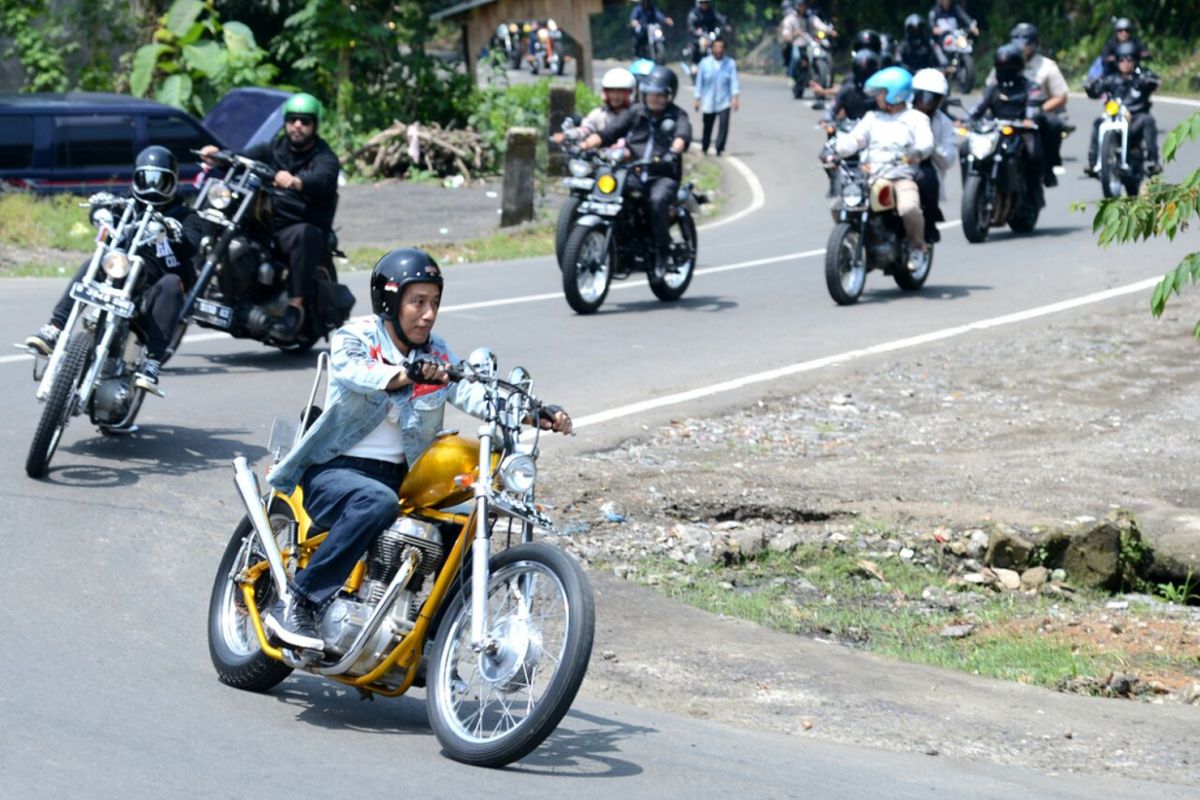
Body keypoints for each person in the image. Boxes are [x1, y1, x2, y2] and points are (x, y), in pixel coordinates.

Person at [264, 248, 573, 650]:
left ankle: (431, 636)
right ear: (390, 302)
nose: (428, 314)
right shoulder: (355, 337)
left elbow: (472, 391)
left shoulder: (436, 352)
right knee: (376, 501)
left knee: (468, 517)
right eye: (418, 302)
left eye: (435, 303)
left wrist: (535, 413)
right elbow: (356, 373)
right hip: (334, 470)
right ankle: (299, 601)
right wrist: (403, 374)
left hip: (401, 480)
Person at [24, 145, 201, 391]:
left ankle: (152, 362)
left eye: (160, 180)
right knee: (93, 261)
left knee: (172, 283)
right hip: (120, 278)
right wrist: (100, 208)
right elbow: (105, 210)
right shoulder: (127, 204)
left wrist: (171, 231)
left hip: (152, 294)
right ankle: (54, 329)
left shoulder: (186, 216)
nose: (152, 187)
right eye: (146, 178)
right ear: (136, 177)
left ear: (173, 182)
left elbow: (192, 243)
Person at [199, 91, 339, 341]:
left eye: (305, 121)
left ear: (314, 125)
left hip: (298, 223)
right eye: (293, 119)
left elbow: (324, 178)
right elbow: (244, 157)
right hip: (268, 221)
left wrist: (297, 181)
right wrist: (219, 156)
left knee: (304, 235)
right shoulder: (274, 149)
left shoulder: (323, 157)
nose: (298, 125)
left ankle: (295, 306)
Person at [581, 65, 692, 277]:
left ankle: (662, 252)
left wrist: (672, 152)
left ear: (670, 95)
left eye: (660, 95)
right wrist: (584, 146)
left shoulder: (678, 115)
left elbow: (682, 136)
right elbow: (609, 133)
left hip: (663, 175)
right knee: (611, 191)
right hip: (634, 171)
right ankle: (620, 243)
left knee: (657, 201)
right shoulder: (636, 112)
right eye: (651, 94)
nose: (654, 99)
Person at [835, 66, 933, 273]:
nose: (877, 97)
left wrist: (916, 152)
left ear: (895, 93)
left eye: (881, 92)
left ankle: (917, 247)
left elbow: (926, 142)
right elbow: (855, 139)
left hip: (900, 176)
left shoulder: (916, 118)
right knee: (839, 206)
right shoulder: (872, 117)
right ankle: (856, 246)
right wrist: (836, 148)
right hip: (870, 177)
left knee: (909, 208)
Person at [985, 23, 1068, 187]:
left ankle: (1048, 167)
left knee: (1053, 124)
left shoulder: (1046, 66)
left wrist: (1037, 110)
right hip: (1004, 111)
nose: (1022, 47)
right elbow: (990, 90)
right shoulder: (1003, 60)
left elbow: (1061, 96)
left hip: (1036, 111)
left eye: (1026, 43)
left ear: (1035, 44)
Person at [971, 44, 1047, 197]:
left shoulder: (1029, 87)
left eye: (1008, 68)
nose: (1004, 72)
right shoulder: (992, 89)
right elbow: (978, 108)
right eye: (1001, 68)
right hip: (994, 131)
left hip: (1020, 131)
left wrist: (1029, 119)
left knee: (1034, 153)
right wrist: (966, 120)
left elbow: (1033, 104)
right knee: (966, 149)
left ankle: (1033, 190)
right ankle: (974, 183)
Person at [1084, 41, 1162, 176]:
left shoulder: (1142, 75)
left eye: (1129, 59)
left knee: (1148, 120)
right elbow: (1096, 89)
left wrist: (1149, 81)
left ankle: (1152, 161)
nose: (1125, 62)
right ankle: (1093, 164)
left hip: (1136, 119)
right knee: (1098, 123)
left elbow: (1155, 82)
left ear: (1136, 60)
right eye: (1122, 59)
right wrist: (1089, 87)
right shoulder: (1111, 78)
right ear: (1117, 61)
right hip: (1115, 118)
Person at [911, 68, 958, 243]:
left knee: (926, 178)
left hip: (925, 166)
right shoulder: (903, 113)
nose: (927, 103)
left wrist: (932, 147)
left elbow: (949, 159)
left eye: (933, 98)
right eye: (924, 96)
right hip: (898, 162)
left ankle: (929, 223)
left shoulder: (944, 123)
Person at [553, 67, 637, 145]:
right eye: (612, 92)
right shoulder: (599, 114)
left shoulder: (637, 115)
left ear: (629, 93)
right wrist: (567, 135)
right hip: (600, 157)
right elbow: (585, 129)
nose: (615, 96)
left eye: (620, 92)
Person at [694, 36, 740, 156]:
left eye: (721, 47)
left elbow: (734, 82)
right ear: (712, 49)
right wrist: (697, 99)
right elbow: (699, 83)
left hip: (724, 101)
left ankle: (719, 148)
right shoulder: (705, 63)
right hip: (709, 101)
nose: (718, 50)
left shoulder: (730, 64)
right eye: (716, 47)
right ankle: (705, 147)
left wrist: (735, 98)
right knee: (707, 126)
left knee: (724, 125)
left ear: (724, 49)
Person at [687, 0, 728, 71]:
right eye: (702, 3)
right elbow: (690, 23)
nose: (704, 4)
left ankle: (721, 62)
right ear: (699, 3)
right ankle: (695, 63)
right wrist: (694, 30)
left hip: (711, 34)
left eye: (706, 3)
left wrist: (725, 24)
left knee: (720, 43)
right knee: (699, 44)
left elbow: (720, 17)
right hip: (699, 35)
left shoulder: (712, 11)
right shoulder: (695, 12)